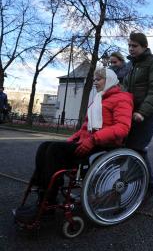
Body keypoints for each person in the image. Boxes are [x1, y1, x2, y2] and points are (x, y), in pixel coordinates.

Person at [14, 68, 133, 222]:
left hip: (103, 146)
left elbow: (122, 128)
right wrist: (71, 140)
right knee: (45, 146)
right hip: (88, 142)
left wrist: (93, 139)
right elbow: (85, 127)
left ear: (109, 80)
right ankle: (43, 194)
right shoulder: (99, 98)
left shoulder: (122, 99)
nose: (95, 82)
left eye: (99, 79)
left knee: (54, 151)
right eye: (94, 79)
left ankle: (48, 200)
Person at [123, 32, 153, 199]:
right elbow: (125, 88)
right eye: (129, 45)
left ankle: (149, 187)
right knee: (128, 147)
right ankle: (135, 183)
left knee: (137, 147)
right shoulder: (130, 65)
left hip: (148, 112)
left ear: (144, 46)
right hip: (131, 112)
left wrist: (142, 112)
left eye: (135, 46)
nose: (131, 49)